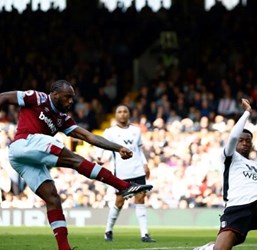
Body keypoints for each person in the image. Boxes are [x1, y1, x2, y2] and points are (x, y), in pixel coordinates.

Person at [0, 80, 153, 250]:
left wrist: (118, 148)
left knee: (52, 198)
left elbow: (89, 137)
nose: (71, 101)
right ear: (55, 94)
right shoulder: (37, 98)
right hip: (23, 143)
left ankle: (64, 248)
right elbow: (4, 97)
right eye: (67, 97)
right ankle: (123, 185)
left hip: (24, 159)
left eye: (72, 98)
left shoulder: (63, 120)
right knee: (73, 158)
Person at [194, 98, 257, 250]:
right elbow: (233, 137)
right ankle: (208, 248)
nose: (245, 143)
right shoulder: (229, 157)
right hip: (237, 209)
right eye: (241, 140)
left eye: (248, 141)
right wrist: (247, 113)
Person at [96, 104, 156, 243]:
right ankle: (108, 230)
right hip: (122, 172)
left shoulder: (136, 130)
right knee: (119, 202)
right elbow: (101, 146)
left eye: (125, 111)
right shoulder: (110, 132)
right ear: (116, 115)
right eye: (119, 112)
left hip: (137, 169)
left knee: (140, 199)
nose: (122, 114)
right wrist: (99, 157)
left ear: (129, 114)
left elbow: (139, 150)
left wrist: (145, 164)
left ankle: (144, 234)